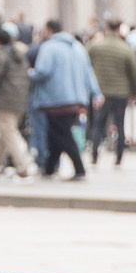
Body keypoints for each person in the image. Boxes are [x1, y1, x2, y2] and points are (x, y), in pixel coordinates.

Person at [29, 20, 94, 181]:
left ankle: (79, 169)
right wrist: (95, 93)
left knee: (63, 134)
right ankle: (50, 168)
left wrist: (30, 73)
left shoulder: (49, 47)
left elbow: (42, 71)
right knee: (55, 134)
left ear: (49, 30)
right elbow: (88, 71)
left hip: (55, 99)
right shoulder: (78, 47)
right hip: (76, 98)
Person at [0, 24, 35, 176]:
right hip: (20, 99)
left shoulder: (0, 55)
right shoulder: (19, 54)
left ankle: (22, 166)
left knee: (9, 133)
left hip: (4, 100)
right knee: (5, 133)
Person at [86, 19, 136, 166]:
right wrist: (134, 91)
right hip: (121, 93)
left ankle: (94, 154)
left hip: (101, 92)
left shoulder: (95, 46)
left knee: (98, 124)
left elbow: (86, 64)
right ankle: (119, 156)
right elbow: (134, 72)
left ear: (107, 28)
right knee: (120, 124)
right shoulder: (126, 49)